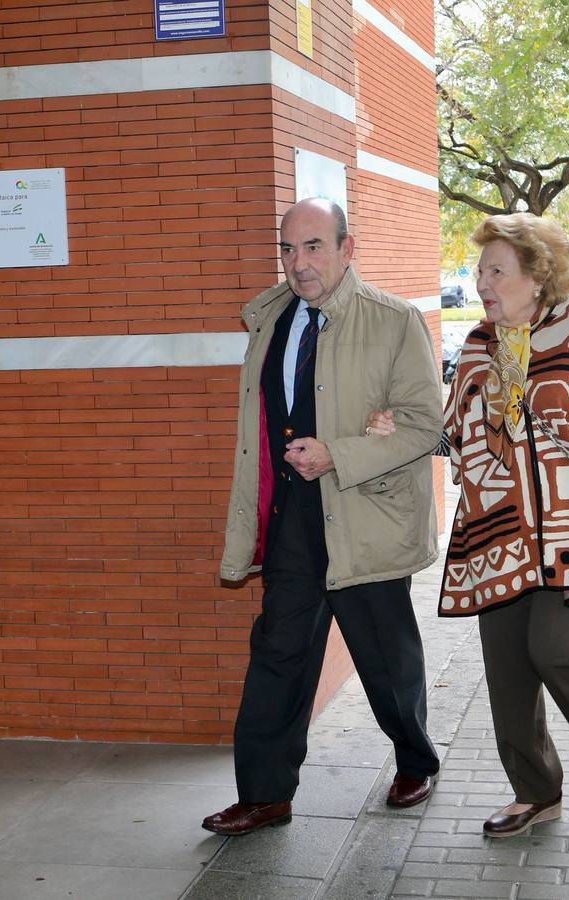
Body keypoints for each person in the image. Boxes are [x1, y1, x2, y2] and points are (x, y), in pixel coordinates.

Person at [367, 213, 569, 838]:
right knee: (508, 673)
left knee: (556, 650)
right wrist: (401, 432)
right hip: (495, 534)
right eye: (479, 270)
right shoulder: (478, 345)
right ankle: (535, 791)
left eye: (496, 270)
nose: (482, 283)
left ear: (536, 275)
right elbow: (455, 434)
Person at [205, 198, 443, 837]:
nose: (298, 263)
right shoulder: (272, 319)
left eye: (313, 247)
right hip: (291, 520)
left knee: (386, 657)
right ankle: (264, 793)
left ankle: (416, 761)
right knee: (278, 654)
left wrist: (339, 453)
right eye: (288, 249)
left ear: (347, 248)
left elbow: (426, 425)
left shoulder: (394, 321)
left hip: (364, 513)